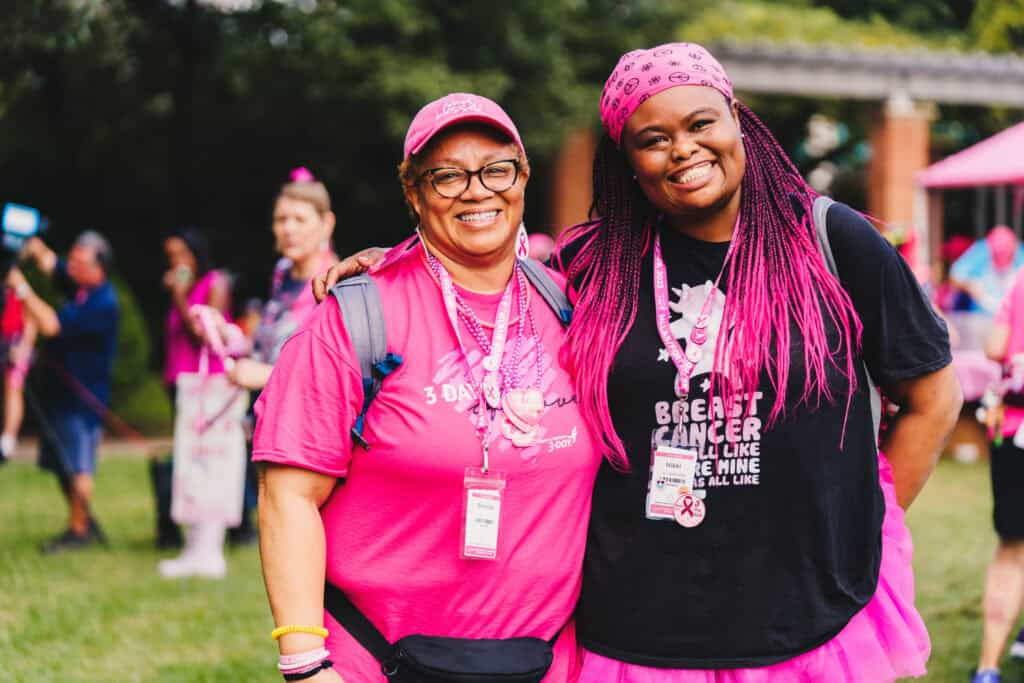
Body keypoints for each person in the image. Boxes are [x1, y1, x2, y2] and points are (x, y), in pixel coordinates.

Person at [317, 44, 962, 683]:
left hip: (805, 619)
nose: (683, 149)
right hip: (638, 627)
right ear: (627, 162)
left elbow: (933, 399)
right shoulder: (592, 264)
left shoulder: (830, 240)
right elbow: (481, 285)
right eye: (653, 138)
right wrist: (399, 262)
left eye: (701, 123)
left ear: (738, 120)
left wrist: (851, 530)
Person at [253, 93, 600, 682]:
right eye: (447, 176)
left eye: (496, 169)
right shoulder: (355, 318)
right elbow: (287, 496)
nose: (477, 190)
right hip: (377, 660)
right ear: (413, 193)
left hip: (548, 664)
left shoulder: (574, 305)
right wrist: (307, 666)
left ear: (522, 179)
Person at [7, 231, 119, 553]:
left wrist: (21, 288)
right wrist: (32, 243)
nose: (70, 267)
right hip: (64, 394)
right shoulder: (83, 287)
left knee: (78, 465)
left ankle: (79, 531)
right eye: (71, 259)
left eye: (79, 262)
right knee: (62, 465)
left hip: (84, 398)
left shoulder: (102, 304)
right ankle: (79, 521)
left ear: (99, 269)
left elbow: (51, 325)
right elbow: (52, 264)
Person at [151, 227, 232, 550]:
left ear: (196, 254)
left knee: (209, 455)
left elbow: (203, 334)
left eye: (182, 254)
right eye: (171, 257)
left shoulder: (215, 284)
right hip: (180, 383)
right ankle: (180, 527)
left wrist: (179, 297)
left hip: (208, 384)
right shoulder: (184, 289)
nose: (176, 262)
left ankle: (221, 529)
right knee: (184, 455)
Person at [974, 269, 1024, 683]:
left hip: (1013, 429)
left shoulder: (1021, 278)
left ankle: (988, 669)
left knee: (1011, 548)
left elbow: (995, 346)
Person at [0, 286, 37, 462]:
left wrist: (24, 346)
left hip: (16, 341)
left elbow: (31, 316)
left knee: (13, 388)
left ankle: (7, 440)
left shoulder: (18, 283)